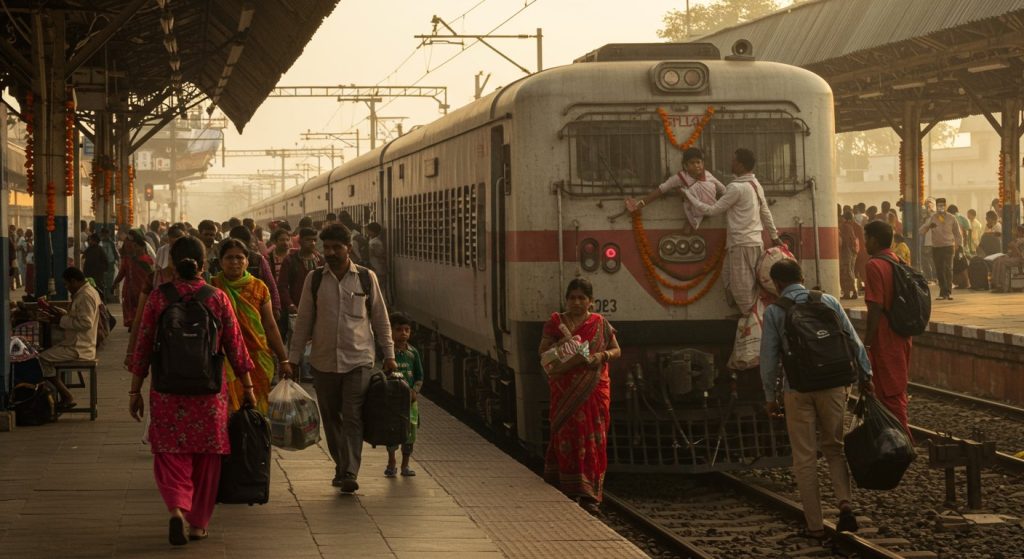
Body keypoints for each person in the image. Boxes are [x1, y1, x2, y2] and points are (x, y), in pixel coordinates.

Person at [128, 236, 256, 546]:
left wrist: (135, 391)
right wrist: (249, 387)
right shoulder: (217, 298)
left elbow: (143, 345)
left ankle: (176, 511)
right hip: (209, 392)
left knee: (171, 454)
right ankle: (198, 524)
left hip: (167, 391)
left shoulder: (159, 298)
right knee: (207, 458)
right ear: (205, 260)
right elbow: (235, 346)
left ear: (172, 262)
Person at [760, 259, 871, 540]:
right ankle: (845, 503)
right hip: (834, 385)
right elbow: (853, 339)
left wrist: (770, 397)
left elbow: (769, 359)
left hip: (797, 389)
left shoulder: (775, 311)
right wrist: (866, 374)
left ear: (777, 284)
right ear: (802, 277)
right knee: (835, 447)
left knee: (805, 458)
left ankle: (815, 526)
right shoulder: (828, 301)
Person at [288, 223, 396, 493]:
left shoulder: (365, 278)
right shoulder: (314, 280)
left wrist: (390, 354)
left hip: (358, 359)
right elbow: (302, 322)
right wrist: (292, 358)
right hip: (323, 362)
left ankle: (349, 471)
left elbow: (381, 319)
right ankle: (341, 464)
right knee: (330, 417)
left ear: (349, 247)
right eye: (327, 248)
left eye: (337, 247)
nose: (331, 252)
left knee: (352, 416)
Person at [538, 278, 621, 514]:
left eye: (582, 298)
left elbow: (616, 349)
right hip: (565, 390)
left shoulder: (600, 324)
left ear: (591, 302)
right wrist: (563, 347)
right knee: (567, 434)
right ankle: (567, 485)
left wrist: (600, 357)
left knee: (593, 439)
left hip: (594, 389)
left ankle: (589, 494)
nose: (576, 302)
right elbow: (543, 354)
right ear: (566, 300)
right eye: (572, 298)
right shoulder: (556, 323)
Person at [679, 148, 782, 315]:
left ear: (740, 165)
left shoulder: (736, 188)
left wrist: (688, 195)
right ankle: (751, 315)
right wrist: (774, 237)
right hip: (753, 242)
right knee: (730, 278)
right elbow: (766, 212)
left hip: (741, 244)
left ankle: (752, 324)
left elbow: (711, 210)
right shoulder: (755, 184)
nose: (731, 163)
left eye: (734, 160)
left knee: (742, 289)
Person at [211, 239, 293, 413]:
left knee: (257, 410)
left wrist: (283, 359)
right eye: (229, 258)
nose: (235, 262)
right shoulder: (213, 287)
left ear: (247, 261)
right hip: (224, 359)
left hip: (257, 358)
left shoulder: (259, 287)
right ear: (220, 261)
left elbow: (270, 326)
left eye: (239, 257)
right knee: (229, 411)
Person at [862, 221, 913, 433]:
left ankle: (902, 441)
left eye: (866, 238)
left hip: (884, 335)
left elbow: (875, 306)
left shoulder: (874, 265)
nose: (864, 243)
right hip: (902, 333)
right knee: (896, 386)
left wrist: (867, 343)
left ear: (874, 239)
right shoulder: (897, 260)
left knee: (888, 391)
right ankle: (890, 437)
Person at [35, 267, 102, 408]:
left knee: (42, 359)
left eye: (67, 284)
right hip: (76, 343)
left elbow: (85, 323)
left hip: (79, 347)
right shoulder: (84, 293)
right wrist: (62, 314)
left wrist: (61, 320)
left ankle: (66, 395)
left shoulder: (85, 295)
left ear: (74, 281)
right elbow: (79, 316)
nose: (67, 288)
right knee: (47, 354)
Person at [624, 147, 726, 229]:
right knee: (686, 232)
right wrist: (641, 204)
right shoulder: (679, 178)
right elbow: (661, 190)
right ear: (685, 166)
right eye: (692, 163)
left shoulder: (708, 175)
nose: (696, 165)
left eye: (698, 162)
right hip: (694, 212)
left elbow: (723, 190)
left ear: (703, 164)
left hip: (712, 210)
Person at [385, 312, 424, 478]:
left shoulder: (413, 353)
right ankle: (391, 462)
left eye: (407, 330)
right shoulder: (387, 353)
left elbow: (419, 375)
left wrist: (415, 391)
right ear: (390, 332)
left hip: (410, 401)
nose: (403, 333)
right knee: (392, 431)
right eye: (399, 329)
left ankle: (405, 465)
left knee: (410, 432)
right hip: (392, 401)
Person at [227, 226, 282, 320]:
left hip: (255, 310)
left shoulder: (258, 259)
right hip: (229, 310)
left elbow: (271, 284)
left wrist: (275, 307)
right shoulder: (224, 259)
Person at [919, 197, 962, 300]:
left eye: (942, 205)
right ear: (936, 207)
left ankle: (948, 292)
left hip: (949, 246)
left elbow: (958, 234)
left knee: (948, 269)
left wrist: (959, 246)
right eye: (939, 206)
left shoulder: (952, 218)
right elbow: (921, 231)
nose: (941, 207)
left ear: (945, 206)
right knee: (939, 270)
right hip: (937, 247)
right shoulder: (932, 218)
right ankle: (943, 293)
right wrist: (928, 227)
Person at [113, 230, 155, 329]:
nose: (134, 248)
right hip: (130, 288)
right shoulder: (127, 260)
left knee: (141, 307)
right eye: (133, 246)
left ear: (143, 248)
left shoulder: (147, 260)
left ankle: (139, 324)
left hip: (143, 288)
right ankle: (133, 324)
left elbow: (151, 274)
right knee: (130, 306)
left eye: (136, 246)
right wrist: (115, 283)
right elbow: (122, 273)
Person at [990, 225, 1024, 292]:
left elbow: (1021, 256)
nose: (1016, 233)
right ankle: (996, 284)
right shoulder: (1018, 240)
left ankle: (1002, 286)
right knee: (998, 260)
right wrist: (1007, 254)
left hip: (1020, 260)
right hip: (1014, 258)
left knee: (1002, 262)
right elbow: (1012, 253)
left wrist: (1015, 247)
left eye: (1018, 232)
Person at [839, 209, 860, 300]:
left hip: (846, 252)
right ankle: (850, 292)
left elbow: (845, 240)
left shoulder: (844, 227)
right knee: (850, 271)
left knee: (846, 272)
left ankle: (851, 292)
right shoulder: (851, 226)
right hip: (852, 252)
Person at [98, 228, 119, 301]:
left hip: (110, 263)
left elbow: (115, 253)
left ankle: (108, 296)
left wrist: (117, 260)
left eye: (106, 234)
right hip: (104, 263)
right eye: (104, 234)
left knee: (109, 280)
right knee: (104, 280)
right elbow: (115, 253)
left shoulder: (110, 243)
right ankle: (105, 296)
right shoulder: (100, 243)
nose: (106, 236)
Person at [366, 222, 387, 287]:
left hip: (377, 267)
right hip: (376, 267)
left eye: (368, 230)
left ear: (373, 231)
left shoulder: (375, 242)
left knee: (377, 286)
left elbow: (379, 254)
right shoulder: (374, 240)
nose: (367, 232)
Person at [18, 228, 34, 296]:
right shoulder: (30, 241)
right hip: (31, 260)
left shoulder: (26, 242)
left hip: (29, 260)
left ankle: (29, 291)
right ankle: (30, 290)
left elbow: (19, 248)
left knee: (29, 277)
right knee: (31, 276)